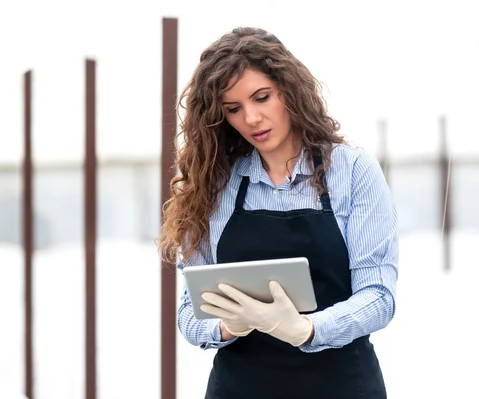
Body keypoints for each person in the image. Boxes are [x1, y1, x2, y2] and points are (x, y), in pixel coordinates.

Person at [157, 27, 398, 398]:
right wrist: (226, 326)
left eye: (261, 97)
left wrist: (308, 330)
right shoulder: (215, 186)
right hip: (240, 387)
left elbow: (379, 297)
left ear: (288, 90)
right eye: (234, 109)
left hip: (342, 386)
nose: (251, 118)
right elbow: (190, 313)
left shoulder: (353, 173)